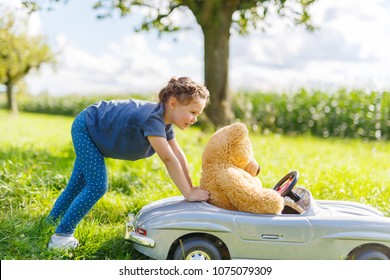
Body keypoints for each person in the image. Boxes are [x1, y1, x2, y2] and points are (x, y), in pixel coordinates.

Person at [47, 77, 210, 250]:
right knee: (96, 186)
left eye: (197, 115)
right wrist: (188, 194)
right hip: (88, 126)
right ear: (173, 103)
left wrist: (190, 187)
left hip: (93, 129)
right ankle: (61, 237)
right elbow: (169, 159)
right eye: (193, 112)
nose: (195, 119)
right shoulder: (153, 119)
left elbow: (178, 155)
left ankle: (50, 222)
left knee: (77, 184)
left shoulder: (165, 124)